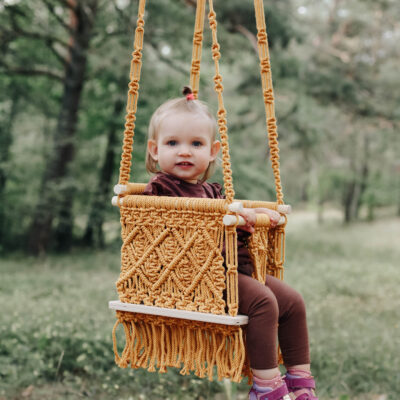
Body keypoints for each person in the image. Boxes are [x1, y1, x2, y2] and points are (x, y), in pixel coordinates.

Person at [142, 86, 318, 400]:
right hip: (195, 279)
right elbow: (166, 223)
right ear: (155, 150)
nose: (184, 151)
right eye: (173, 143)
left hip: (235, 272)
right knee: (264, 302)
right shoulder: (160, 189)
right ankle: (264, 386)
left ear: (213, 150)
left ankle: (299, 381)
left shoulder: (212, 192)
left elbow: (231, 218)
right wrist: (235, 215)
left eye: (196, 143)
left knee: (291, 301)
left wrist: (251, 218)